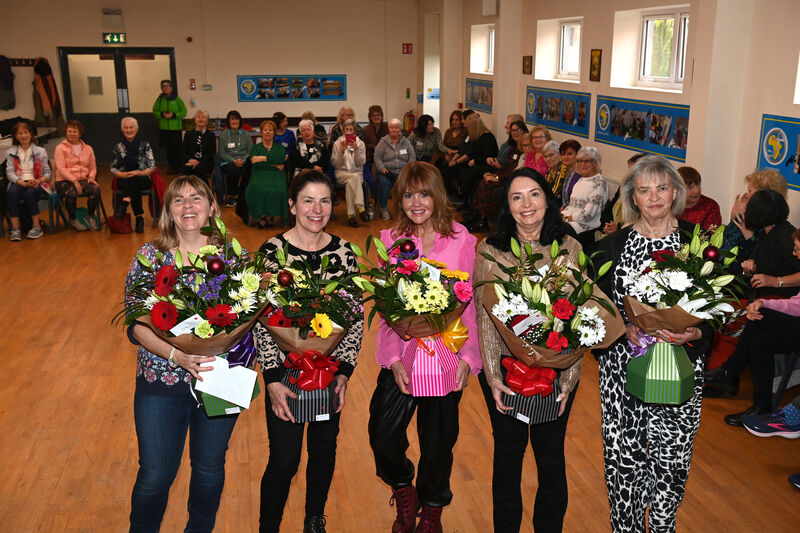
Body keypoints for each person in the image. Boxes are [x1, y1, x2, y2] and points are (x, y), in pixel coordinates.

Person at [592, 155, 713, 533]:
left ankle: (663, 526)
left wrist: (695, 333)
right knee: (624, 461)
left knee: (671, 461)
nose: (655, 196)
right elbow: (595, 309)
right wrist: (618, 329)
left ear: (675, 192)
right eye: (644, 190)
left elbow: (717, 310)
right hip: (621, 374)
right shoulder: (610, 246)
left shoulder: (700, 244)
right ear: (632, 197)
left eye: (662, 188)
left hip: (680, 370)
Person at [367, 161, 480, 533]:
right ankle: (403, 488)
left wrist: (469, 358)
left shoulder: (462, 239)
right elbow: (386, 306)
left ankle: (432, 508)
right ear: (399, 198)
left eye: (425, 193)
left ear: (438, 196)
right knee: (383, 436)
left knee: (438, 443)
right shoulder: (390, 241)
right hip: (404, 352)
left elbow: (470, 305)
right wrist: (393, 358)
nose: (417, 202)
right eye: (409, 194)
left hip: (447, 356)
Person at [252, 170, 363, 533]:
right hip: (284, 374)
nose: (318, 209)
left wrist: (344, 372)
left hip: (328, 372)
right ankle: (268, 526)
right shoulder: (272, 252)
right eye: (308, 200)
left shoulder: (345, 253)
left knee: (323, 450)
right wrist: (270, 379)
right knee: (284, 460)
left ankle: (314, 519)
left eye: (325, 200)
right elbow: (262, 320)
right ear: (292, 204)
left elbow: (354, 318)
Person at [125, 175, 237, 532]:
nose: (188, 206)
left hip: (220, 378)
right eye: (178, 200)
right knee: (156, 474)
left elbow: (250, 316)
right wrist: (178, 356)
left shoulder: (232, 256)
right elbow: (136, 324)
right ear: (168, 211)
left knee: (208, 470)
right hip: (160, 382)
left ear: (211, 207)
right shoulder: (150, 256)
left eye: (196, 198)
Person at [474, 167, 581, 533]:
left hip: (557, 373)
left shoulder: (569, 248)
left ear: (547, 199)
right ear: (507, 205)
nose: (526, 204)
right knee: (508, 456)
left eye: (534, 194)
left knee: (551, 458)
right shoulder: (491, 250)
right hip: (505, 372)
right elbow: (485, 318)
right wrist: (492, 376)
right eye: (516, 197)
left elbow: (581, 318)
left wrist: (568, 378)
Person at [704, 191, 800, 422]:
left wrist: (771, 283)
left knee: (760, 314)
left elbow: (789, 278)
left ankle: (729, 371)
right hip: (784, 306)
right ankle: (761, 406)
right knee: (759, 340)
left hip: (785, 306)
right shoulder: (771, 234)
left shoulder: (784, 236)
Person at [466, 119, 527, 233]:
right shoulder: (513, 147)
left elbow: (514, 172)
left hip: (512, 181)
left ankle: (485, 221)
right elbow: (507, 167)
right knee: (483, 182)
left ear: (524, 131)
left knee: (488, 186)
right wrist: (495, 175)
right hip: (504, 175)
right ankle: (478, 216)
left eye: (517, 130)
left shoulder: (524, 150)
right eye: (512, 130)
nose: (515, 132)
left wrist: (497, 177)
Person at [5, 121, 51, 240]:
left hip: (37, 181)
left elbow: (48, 172)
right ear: (16, 136)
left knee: (30, 193)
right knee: (12, 193)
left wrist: (39, 180)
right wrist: (22, 183)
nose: (24, 136)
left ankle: (36, 227)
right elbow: (9, 173)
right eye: (20, 133)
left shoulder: (40, 151)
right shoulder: (10, 152)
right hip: (20, 181)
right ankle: (15, 229)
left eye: (26, 132)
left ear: (31, 134)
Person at [111, 117, 156, 233]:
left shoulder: (144, 144)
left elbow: (152, 166)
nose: (129, 130)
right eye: (126, 127)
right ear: (122, 129)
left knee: (134, 179)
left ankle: (125, 202)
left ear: (136, 129)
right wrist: (122, 174)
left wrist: (141, 173)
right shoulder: (118, 147)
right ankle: (139, 217)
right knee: (132, 181)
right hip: (124, 178)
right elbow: (112, 168)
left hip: (143, 177)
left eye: (131, 127)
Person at [53, 119, 100, 231]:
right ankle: (73, 219)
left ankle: (89, 215)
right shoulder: (60, 148)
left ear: (80, 133)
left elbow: (93, 167)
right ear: (66, 132)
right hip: (64, 180)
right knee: (72, 193)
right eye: (69, 131)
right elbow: (61, 168)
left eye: (75, 131)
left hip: (83, 178)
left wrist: (91, 177)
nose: (72, 134)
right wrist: (74, 181)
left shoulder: (88, 148)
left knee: (95, 190)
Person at [247, 119, 287, 228]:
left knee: (280, 189)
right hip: (259, 174)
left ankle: (270, 216)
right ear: (261, 132)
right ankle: (262, 216)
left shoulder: (280, 148)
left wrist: (263, 158)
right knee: (259, 189)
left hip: (277, 176)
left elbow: (280, 159)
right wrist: (273, 163)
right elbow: (254, 163)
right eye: (265, 130)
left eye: (270, 130)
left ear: (274, 133)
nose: (268, 132)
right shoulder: (255, 148)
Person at [374, 118, 416, 220]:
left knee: (409, 186)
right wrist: (381, 168)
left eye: (396, 128)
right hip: (387, 173)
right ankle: (383, 208)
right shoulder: (383, 142)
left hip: (403, 173)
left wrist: (409, 167)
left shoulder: (405, 141)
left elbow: (412, 156)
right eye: (391, 128)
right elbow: (377, 157)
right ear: (389, 129)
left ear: (400, 129)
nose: (394, 130)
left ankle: (405, 209)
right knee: (384, 184)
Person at [454, 113, 498, 209]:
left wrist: (475, 161)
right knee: (463, 169)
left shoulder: (487, 136)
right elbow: (473, 152)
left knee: (473, 171)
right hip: (480, 162)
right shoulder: (477, 136)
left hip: (489, 165)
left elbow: (490, 155)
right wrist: (458, 161)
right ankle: (465, 200)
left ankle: (463, 194)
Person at [561, 146, 608, 234]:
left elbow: (588, 214)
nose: (583, 164)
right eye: (580, 161)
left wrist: (567, 218)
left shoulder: (599, 183)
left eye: (587, 161)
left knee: (554, 230)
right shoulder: (581, 180)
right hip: (570, 222)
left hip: (585, 227)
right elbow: (572, 206)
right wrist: (562, 214)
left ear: (595, 163)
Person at [331, 118, 368, 227]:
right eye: (346, 129)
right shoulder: (337, 144)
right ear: (343, 130)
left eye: (351, 129)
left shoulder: (360, 144)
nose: (348, 132)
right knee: (354, 178)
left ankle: (351, 216)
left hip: (356, 172)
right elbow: (336, 165)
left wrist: (356, 150)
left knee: (350, 183)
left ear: (354, 131)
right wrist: (341, 152)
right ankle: (361, 208)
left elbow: (361, 163)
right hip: (341, 174)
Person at [218, 109, 253, 208]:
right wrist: (232, 160)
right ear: (228, 121)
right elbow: (222, 153)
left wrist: (244, 159)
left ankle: (243, 195)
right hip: (228, 162)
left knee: (249, 168)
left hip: (243, 160)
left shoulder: (246, 134)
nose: (234, 121)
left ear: (240, 121)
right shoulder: (223, 135)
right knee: (232, 169)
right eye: (232, 119)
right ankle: (232, 196)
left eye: (237, 119)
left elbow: (250, 151)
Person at [152, 79, 187, 173]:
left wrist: (174, 115)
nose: (165, 88)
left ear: (171, 88)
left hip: (176, 128)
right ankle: (172, 167)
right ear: (161, 88)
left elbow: (184, 112)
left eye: (167, 86)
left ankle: (180, 167)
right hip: (164, 128)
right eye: (163, 86)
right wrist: (162, 114)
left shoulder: (177, 99)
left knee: (177, 148)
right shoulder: (159, 99)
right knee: (169, 149)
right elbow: (155, 111)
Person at [180, 110, 216, 179]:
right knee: (187, 169)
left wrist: (198, 162)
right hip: (190, 161)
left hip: (205, 162)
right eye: (198, 117)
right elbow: (183, 151)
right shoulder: (188, 134)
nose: (200, 119)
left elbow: (211, 152)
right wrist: (190, 160)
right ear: (195, 120)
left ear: (207, 122)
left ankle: (204, 189)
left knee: (199, 169)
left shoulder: (211, 135)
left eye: (203, 117)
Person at [362, 104, 389, 169]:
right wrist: (373, 147)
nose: (376, 117)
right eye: (374, 115)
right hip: (371, 157)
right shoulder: (366, 129)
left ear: (381, 116)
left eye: (378, 115)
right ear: (370, 117)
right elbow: (363, 145)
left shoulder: (387, 127)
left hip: (386, 156)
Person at [557, 139, 582, 206]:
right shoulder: (565, 172)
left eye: (570, 154)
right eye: (563, 154)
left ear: (578, 154)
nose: (566, 157)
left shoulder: (581, 174)